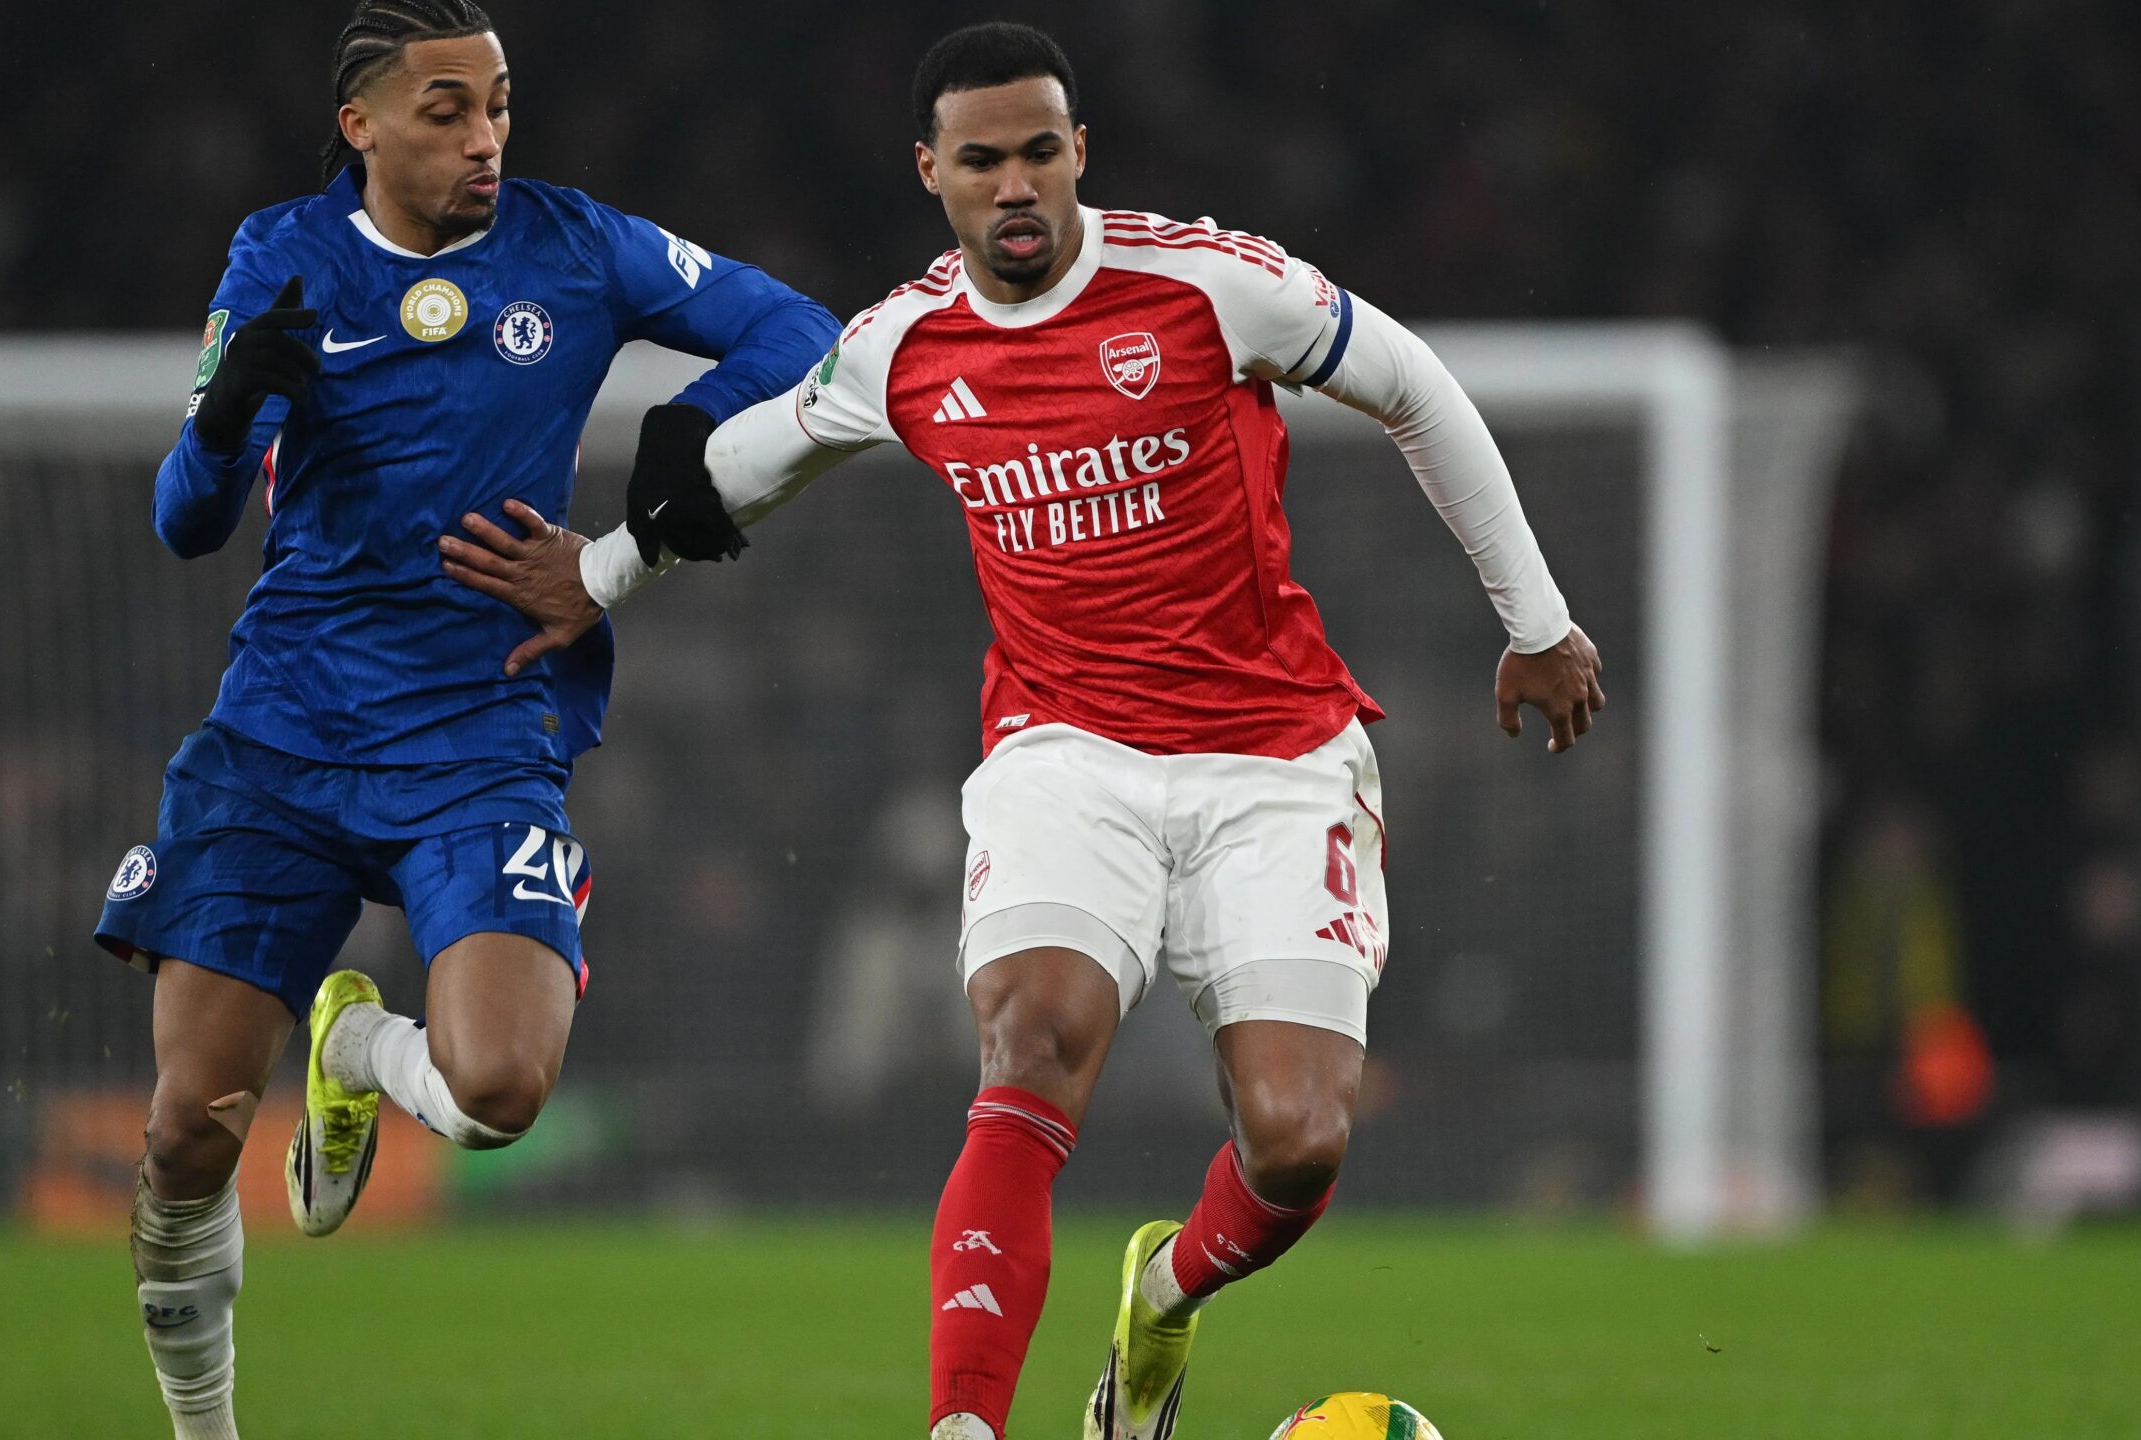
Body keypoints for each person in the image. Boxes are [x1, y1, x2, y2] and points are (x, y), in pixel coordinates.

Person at [439, 20, 1605, 1440]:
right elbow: (753, 463)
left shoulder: (1206, 285)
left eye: (1041, 152)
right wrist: (605, 570)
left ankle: (1162, 1298)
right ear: (930, 171)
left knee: (1298, 1141)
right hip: (1068, 752)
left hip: (1274, 755)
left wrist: (1536, 621)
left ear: (1080, 153)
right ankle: (967, 1426)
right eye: (982, 159)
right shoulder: (905, 342)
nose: (1016, 185)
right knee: (1032, 1040)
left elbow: (1411, 384)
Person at [91, 4, 837, 1436]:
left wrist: (677, 450)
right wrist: (218, 422)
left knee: (498, 1088)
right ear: (361, 126)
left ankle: (358, 1052)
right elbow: (188, 520)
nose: (485, 139)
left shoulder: (573, 244)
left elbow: (800, 332)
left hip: (480, 727)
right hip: (286, 732)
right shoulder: (283, 256)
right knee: (187, 1130)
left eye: (497, 106)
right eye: (446, 112)